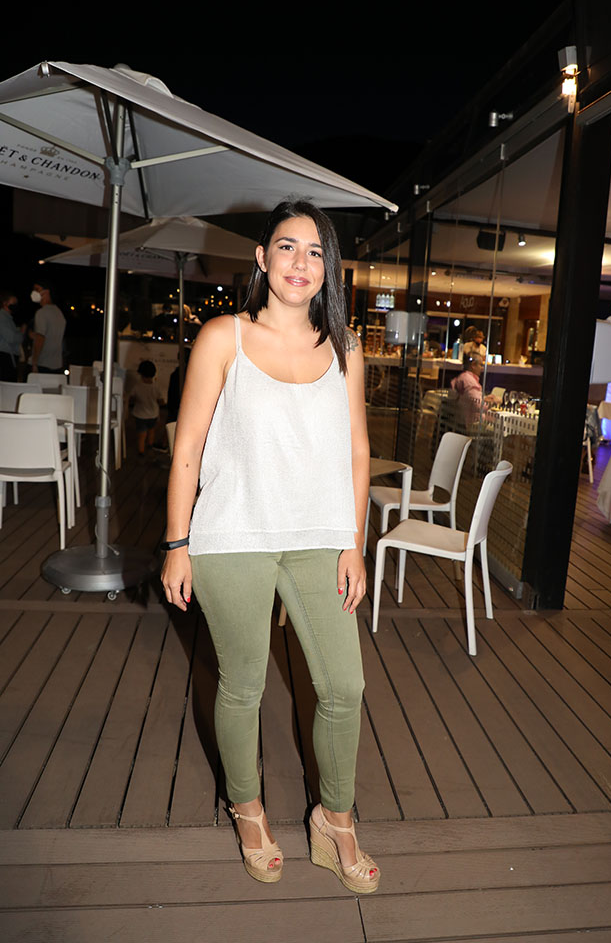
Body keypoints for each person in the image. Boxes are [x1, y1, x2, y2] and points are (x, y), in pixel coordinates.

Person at [161, 199, 379, 893]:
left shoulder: (346, 348)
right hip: (233, 536)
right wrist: (177, 543)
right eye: (287, 247)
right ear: (261, 258)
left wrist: (354, 542)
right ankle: (248, 810)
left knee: (344, 686)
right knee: (244, 685)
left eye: (315, 252)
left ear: (329, 268)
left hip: (320, 538)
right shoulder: (223, 336)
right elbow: (188, 447)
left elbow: (358, 451)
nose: (300, 263)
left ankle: (334, 821)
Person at [128, 359, 166, 455]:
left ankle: (141, 451)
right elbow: (161, 402)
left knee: (142, 433)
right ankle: (150, 445)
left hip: (140, 415)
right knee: (151, 431)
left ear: (140, 373)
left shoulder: (137, 387)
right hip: (153, 414)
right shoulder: (156, 387)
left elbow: (131, 399)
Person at [451, 352, 498, 428]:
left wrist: (485, 399)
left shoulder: (463, 377)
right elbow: (479, 406)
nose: (482, 368)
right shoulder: (471, 382)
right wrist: (493, 402)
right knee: (499, 425)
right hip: (474, 424)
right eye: (481, 365)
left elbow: (470, 399)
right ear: (473, 365)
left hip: (461, 420)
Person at [30, 282, 66, 373]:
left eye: (37, 289)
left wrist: (34, 363)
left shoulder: (41, 313)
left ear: (46, 292)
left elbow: (40, 338)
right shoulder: (59, 312)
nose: (34, 292)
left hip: (42, 364)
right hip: (56, 365)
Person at [0, 290, 25, 381]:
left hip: (8, 357)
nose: (15, 305)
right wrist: (22, 333)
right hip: (5, 358)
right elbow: (11, 338)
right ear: (5, 303)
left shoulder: (8, 318)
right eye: (13, 302)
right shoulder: (2, 317)